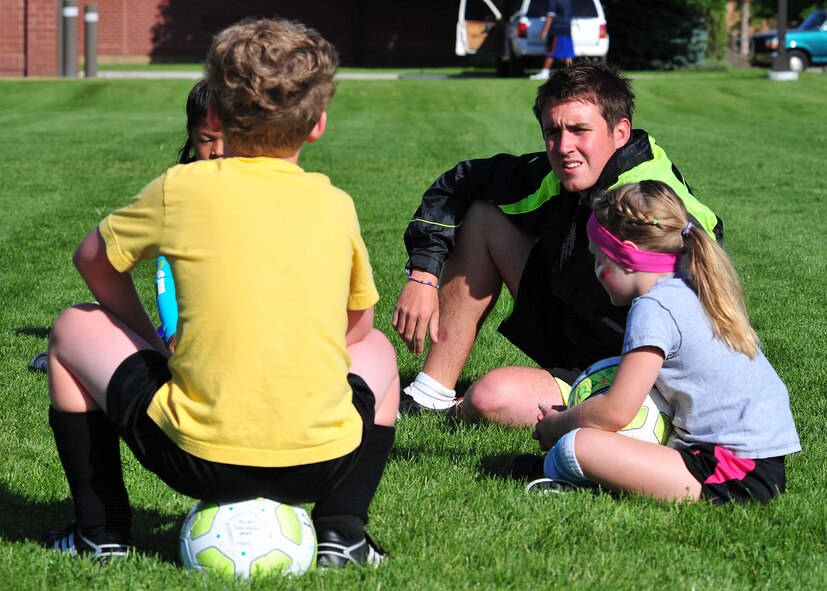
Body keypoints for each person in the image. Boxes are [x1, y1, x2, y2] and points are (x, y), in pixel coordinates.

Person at [42, 17, 399, 569]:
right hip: (322, 460)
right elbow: (359, 329)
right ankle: (343, 531)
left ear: (221, 118)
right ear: (317, 124)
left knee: (72, 326)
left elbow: (92, 260)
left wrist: (151, 344)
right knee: (379, 352)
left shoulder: (180, 188)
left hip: (194, 456)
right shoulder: (335, 203)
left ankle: (100, 532)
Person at [393, 61, 723, 426]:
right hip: (577, 323)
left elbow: (699, 309)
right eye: (553, 131)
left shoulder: (653, 205)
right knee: (484, 216)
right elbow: (462, 181)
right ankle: (429, 393)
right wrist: (423, 275)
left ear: (620, 132)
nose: (564, 147)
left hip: (634, 367)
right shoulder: (565, 170)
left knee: (489, 398)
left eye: (580, 130)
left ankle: (638, 411)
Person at [529, 180, 800, 502]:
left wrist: (558, 425)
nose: (596, 270)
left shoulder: (654, 308)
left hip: (732, 471)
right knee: (588, 440)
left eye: (598, 257)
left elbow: (616, 411)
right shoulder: (688, 285)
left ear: (626, 255)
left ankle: (561, 474)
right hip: (755, 463)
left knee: (577, 446)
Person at [156, 79, 224, 353]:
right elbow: (167, 268)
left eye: (227, 139)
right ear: (192, 135)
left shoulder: (266, 189)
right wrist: (173, 330)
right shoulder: (180, 193)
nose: (217, 151)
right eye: (206, 140)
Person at [530, 0, 575, 80]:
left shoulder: (553, 1)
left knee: (551, 51)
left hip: (557, 30)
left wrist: (544, 31)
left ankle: (545, 72)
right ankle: (572, 74)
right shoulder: (568, 1)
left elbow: (550, 16)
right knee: (567, 53)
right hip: (567, 29)